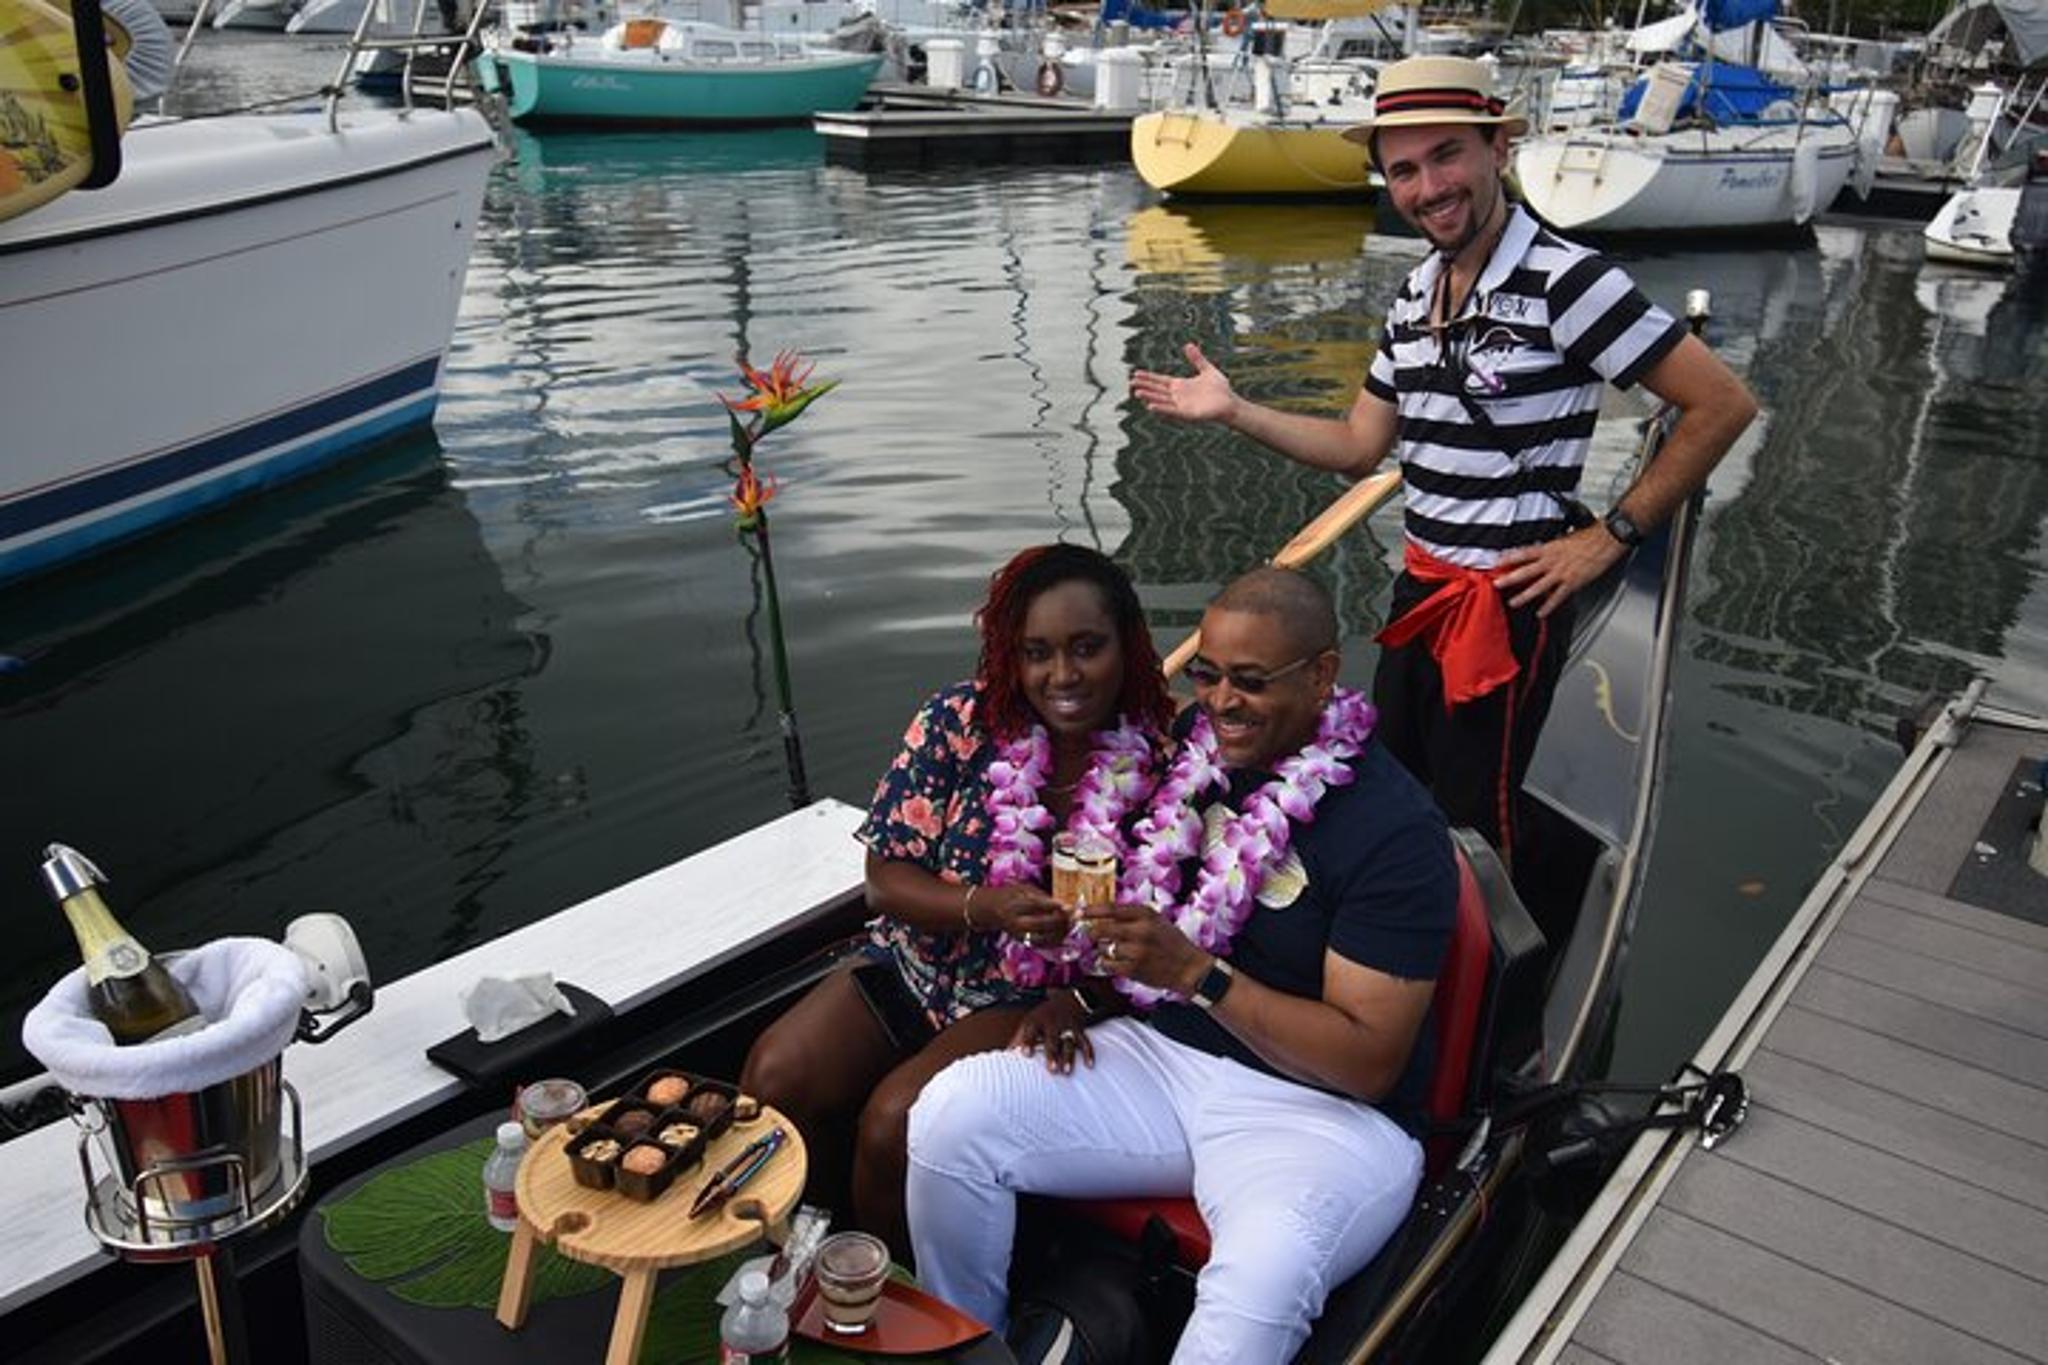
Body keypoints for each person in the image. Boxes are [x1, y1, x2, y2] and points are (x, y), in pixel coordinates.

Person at [1130, 56, 1759, 866]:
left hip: (1508, 604)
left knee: (1473, 830)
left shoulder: (1566, 280)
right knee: (1391, 793)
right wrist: (1235, 409)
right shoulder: (1417, 291)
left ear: (1497, 148)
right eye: (1404, 169)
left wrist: (1611, 534)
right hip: (1420, 588)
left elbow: (1722, 404)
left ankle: (1481, 981)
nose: (1429, 186)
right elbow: (1360, 447)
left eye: (1447, 155)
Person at [907, 567, 1457, 1364]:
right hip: (1168, 1060)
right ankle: (972, 1351)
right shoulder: (1199, 749)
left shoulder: (1395, 832)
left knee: (1260, 1280)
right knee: (951, 1115)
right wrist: (1076, 992)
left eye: (1251, 680)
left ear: (1324, 674)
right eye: (1208, 672)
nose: (1221, 702)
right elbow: (1126, 890)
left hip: (1326, 1121)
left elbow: (1368, 1064)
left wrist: (1201, 974)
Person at [741, 544, 1174, 1257]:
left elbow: (1172, 928)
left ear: (1125, 646)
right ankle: (800, 1264)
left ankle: (889, 1301)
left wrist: (1087, 999)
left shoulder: (1160, 765)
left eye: (1087, 648)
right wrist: (987, 906)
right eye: (1038, 652)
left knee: (893, 1124)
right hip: (913, 963)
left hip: (1025, 997)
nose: (1061, 675)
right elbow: (886, 879)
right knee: (775, 1072)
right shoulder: (957, 722)